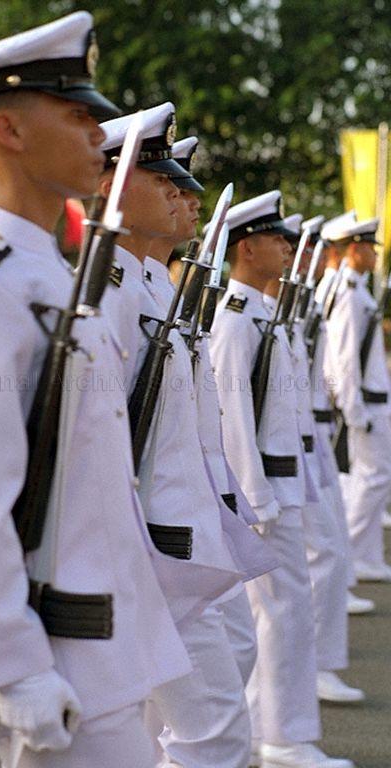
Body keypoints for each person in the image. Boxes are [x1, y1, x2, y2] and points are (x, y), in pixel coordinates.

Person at [0, 14, 193, 768]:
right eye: (77, 115)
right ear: (8, 129)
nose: (99, 133)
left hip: (108, 648)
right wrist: (15, 669)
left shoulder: (50, 280)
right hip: (57, 666)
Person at [99, 107, 252, 768]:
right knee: (214, 730)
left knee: (184, 714)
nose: (179, 195)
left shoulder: (152, 282)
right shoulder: (111, 291)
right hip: (154, 542)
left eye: (179, 183)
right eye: (160, 177)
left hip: (186, 529)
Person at [209, 190, 353, 768]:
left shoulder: (263, 312)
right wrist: (256, 498)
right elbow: (233, 414)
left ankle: (272, 731)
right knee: (279, 611)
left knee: (281, 610)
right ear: (248, 248)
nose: (289, 249)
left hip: (286, 484)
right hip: (266, 493)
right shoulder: (237, 320)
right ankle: (282, 736)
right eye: (278, 239)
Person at [146, 134, 277, 689]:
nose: (187, 198)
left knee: (230, 662)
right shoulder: (125, 297)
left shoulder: (163, 294)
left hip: (200, 512)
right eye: (166, 183)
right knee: (208, 712)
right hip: (162, 528)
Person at [274, 214, 364, 705]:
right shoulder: (246, 315)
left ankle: (316, 671)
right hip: (283, 459)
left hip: (308, 441)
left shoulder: (294, 303)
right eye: (288, 245)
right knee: (293, 584)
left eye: (304, 248)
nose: (298, 256)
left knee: (329, 554)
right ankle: (284, 710)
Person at [320, 214, 391, 583]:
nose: (375, 256)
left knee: (375, 479)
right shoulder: (348, 294)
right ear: (355, 249)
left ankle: (365, 556)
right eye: (369, 249)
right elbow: (344, 359)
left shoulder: (356, 289)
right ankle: (351, 554)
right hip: (365, 402)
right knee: (372, 480)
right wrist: (354, 410)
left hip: (375, 400)